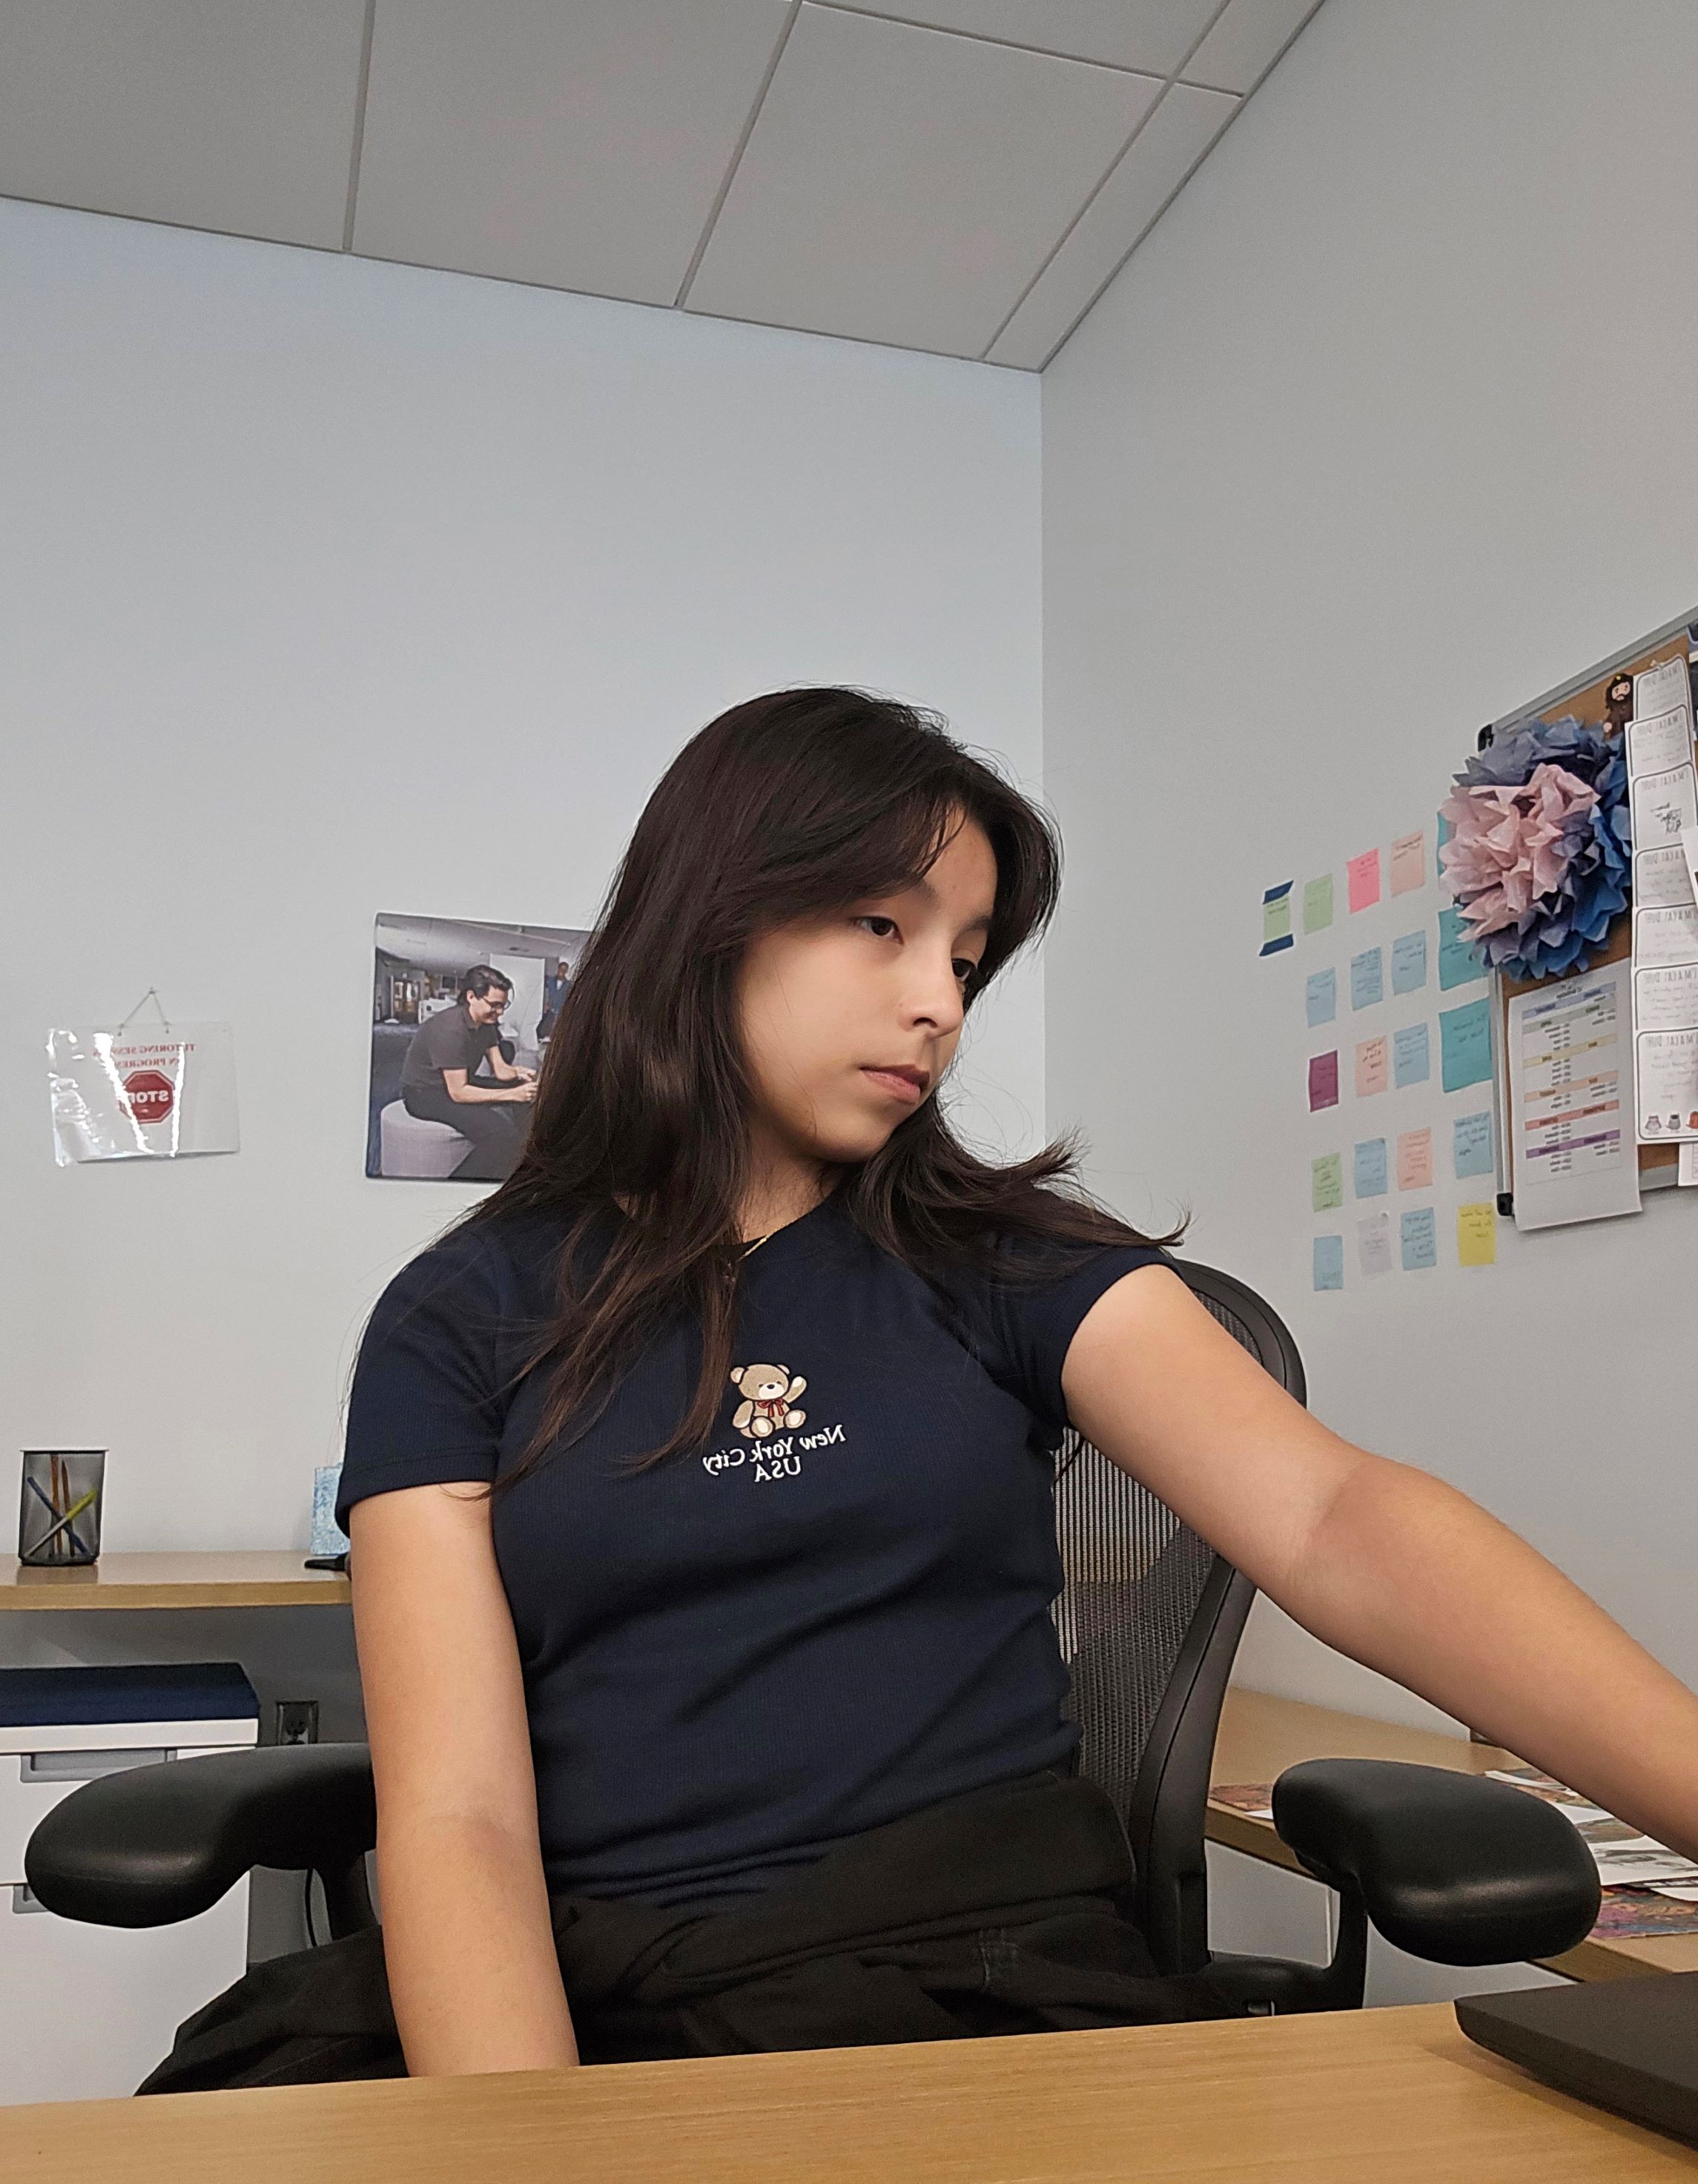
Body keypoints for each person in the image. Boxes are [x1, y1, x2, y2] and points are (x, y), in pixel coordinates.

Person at [145, 687, 1698, 2088]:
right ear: (710, 918)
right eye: (881, 927)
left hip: (963, 1985)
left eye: (963, 953)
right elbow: (458, 1816)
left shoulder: (1003, 1259)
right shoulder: (455, 1313)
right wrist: (550, 2174)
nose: (941, 999)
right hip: (588, 1994)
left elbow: (1330, 1510)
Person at [398, 965, 535, 1181]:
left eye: (503, 1005)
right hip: (425, 1094)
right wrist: (512, 1095)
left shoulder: (487, 1024)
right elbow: (459, 1093)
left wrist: (519, 1073)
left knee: (523, 1093)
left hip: (457, 1083)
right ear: (472, 996)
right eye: (495, 1005)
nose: (500, 1012)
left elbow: (500, 1070)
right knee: (501, 1134)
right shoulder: (449, 1029)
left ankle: (528, 1160)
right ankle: (455, 1185)